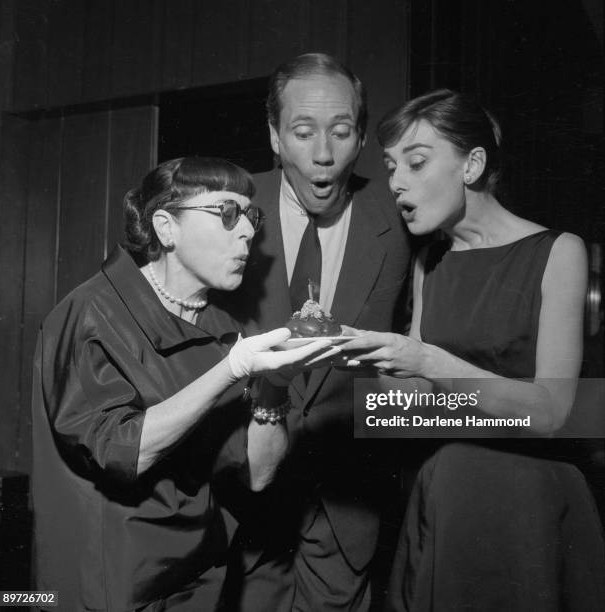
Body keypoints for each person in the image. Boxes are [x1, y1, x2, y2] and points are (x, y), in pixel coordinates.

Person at [31, 156, 336, 612]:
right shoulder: (94, 312)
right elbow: (121, 452)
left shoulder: (225, 329)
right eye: (227, 214)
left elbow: (256, 474)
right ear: (166, 227)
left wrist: (275, 385)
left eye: (251, 216)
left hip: (198, 579)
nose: (250, 231)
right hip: (111, 583)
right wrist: (230, 370)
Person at [342, 89, 605, 611]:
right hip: (445, 493)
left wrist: (429, 364)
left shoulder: (559, 252)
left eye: (416, 163)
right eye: (391, 166)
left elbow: (553, 412)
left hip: (526, 503)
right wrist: (369, 366)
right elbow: (414, 408)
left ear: (473, 164)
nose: (397, 182)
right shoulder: (428, 265)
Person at [224, 53, 411, 611]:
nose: (324, 155)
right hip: (241, 501)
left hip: (347, 506)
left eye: (342, 131)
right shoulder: (227, 207)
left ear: (361, 140)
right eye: (303, 133)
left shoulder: (402, 215)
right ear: (276, 138)